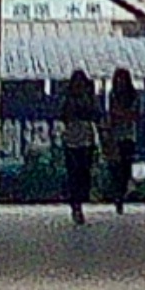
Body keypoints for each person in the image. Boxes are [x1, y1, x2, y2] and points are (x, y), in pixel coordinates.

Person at [57, 70, 102, 223]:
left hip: (86, 138)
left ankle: (80, 197)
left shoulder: (90, 99)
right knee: (74, 172)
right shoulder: (68, 100)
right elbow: (64, 116)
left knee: (84, 171)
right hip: (72, 139)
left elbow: (96, 115)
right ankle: (75, 203)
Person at [104, 65, 142, 213]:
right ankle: (117, 194)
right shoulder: (112, 95)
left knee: (126, 166)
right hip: (116, 135)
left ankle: (122, 192)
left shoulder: (134, 96)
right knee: (116, 167)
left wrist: (122, 114)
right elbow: (113, 114)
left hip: (128, 135)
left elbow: (135, 114)